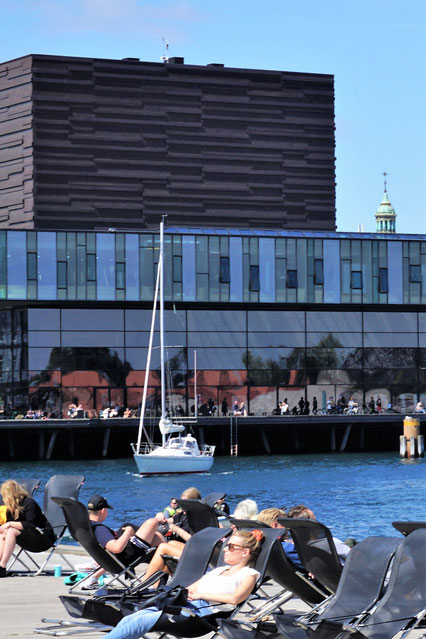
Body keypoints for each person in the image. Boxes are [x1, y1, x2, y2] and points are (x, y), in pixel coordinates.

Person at [104, 530, 263, 639]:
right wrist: (176, 595)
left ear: (245, 552)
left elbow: (235, 598)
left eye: (230, 546)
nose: (225, 550)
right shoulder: (220, 570)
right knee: (129, 619)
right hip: (186, 605)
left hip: (202, 616)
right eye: (226, 545)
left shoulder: (249, 574)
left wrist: (201, 595)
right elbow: (191, 589)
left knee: (140, 622)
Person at [86, 494, 166, 587]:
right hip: (126, 557)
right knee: (152, 523)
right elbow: (116, 548)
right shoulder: (100, 529)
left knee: (157, 536)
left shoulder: (88, 526)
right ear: (103, 510)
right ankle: (171, 566)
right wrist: (129, 531)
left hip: (114, 559)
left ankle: (169, 565)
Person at [0, 480, 56, 577]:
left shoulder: (29, 503)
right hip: (27, 537)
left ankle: (2, 566)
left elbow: (31, 525)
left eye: (4, 496)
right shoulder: (11, 507)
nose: (3, 499)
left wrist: (10, 524)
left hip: (42, 539)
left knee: (11, 530)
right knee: (3, 532)